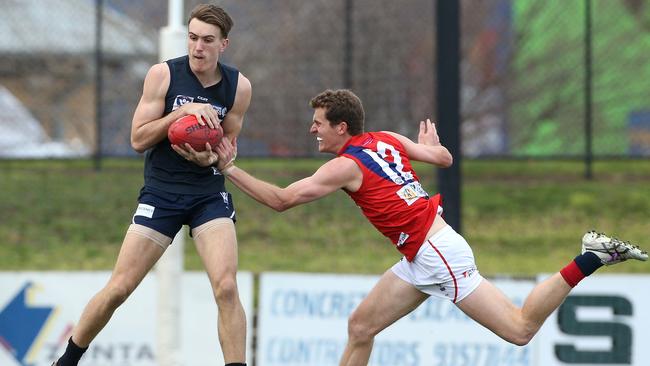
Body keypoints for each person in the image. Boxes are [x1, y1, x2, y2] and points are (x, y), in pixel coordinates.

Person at [178, 89, 648, 366]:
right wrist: (432, 147)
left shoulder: (346, 166)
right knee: (361, 326)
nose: (311, 129)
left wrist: (228, 168)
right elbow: (442, 158)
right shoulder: (385, 138)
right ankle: (593, 254)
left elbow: (282, 201)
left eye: (319, 123)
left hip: (436, 252)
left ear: (342, 128)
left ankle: (592, 256)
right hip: (422, 251)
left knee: (520, 329)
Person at [52, 4, 251, 366]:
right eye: (192, 38)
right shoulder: (163, 75)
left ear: (224, 44)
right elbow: (138, 138)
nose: (197, 48)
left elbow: (227, 148)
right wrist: (180, 113)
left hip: (207, 192)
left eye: (208, 40)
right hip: (162, 192)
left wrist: (213, 159)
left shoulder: (238, 87)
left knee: (226, 286)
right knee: (119, 288)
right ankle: (66, 361)